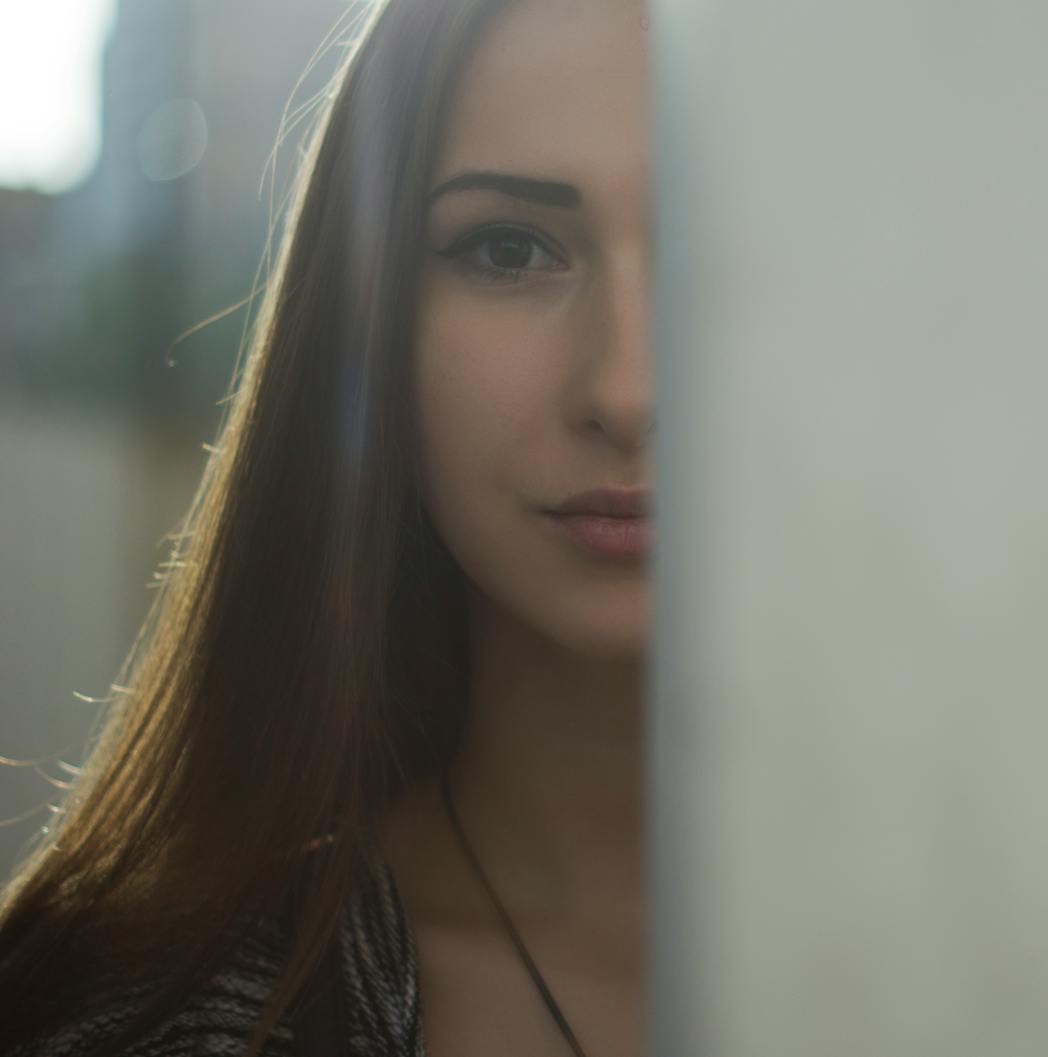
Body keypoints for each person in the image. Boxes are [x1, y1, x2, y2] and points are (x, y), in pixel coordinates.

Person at [0, 0, 649, 1054]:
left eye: (727, 248)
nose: (624, 388)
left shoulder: (1006, 937)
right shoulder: (142, 1020)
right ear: (369, 315)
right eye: (507, 249)